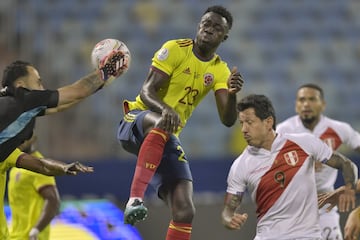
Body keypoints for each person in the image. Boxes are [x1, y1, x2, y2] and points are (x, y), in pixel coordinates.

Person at [117, 5, 244, 239]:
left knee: (185, 210)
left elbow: (227, 120)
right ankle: (135, 199)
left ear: (224, 37)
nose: (209, 29)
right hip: (136, 121)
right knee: (162, 124)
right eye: (207, 23)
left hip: (164, 135)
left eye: (217, 27)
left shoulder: (219, 70)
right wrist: (166, 109)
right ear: (199, 25)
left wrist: (233, 93)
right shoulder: (174, 49)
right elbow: (147, 91)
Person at [0, 53, 127, 239]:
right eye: (38, 82)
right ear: (20, 86)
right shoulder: (23, 100)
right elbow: (77, 91)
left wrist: (62, 167)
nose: (42, 88)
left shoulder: (6, 143)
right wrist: (106, 71)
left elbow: (38, 163)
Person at [221, 94, 357, 239]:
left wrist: (350, 187)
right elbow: (228, 210)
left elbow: (346, 164)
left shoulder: (304, 143)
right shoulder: (241, 164)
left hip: (307, 236)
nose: (244, 129)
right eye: (241, 123)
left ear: (268, 122)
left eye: (249, 122)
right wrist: (229, 219)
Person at [276, 83, 360, 239]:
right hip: (291, 208)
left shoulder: (339, 129)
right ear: (296, 106)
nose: (306, 104)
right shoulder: (283, 130)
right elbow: (267, 165)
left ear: (323, 105)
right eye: (302, 100)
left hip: (324, 207)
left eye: (312, 99)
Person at [8, 134, 60, 240]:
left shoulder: (39, 166)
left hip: (32, 237)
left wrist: (36, 229)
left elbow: (53, 199)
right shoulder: (15, 167)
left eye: (25, 136)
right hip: (16, 235)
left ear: (33, 138)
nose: (20, 140)